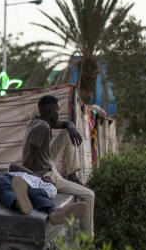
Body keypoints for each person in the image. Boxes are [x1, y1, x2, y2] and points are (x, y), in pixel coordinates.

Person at [21, 95, 95, 234]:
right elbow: (29, 158)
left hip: (48, 162)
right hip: (46, 174)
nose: (58, 113)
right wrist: (34, 179)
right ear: (49, 110)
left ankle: (72, 174)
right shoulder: (41, 127)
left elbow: (64, 124)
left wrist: (71, 127)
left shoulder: (40, 121)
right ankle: (88, 241)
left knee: (67, 133)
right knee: (89, 195)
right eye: (57, 110)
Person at [0, 171, 86, 226]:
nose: (48, 178)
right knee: (0, 181)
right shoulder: (32, 176)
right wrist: (38, 175)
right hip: (14, 181)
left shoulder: (50, 187)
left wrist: (49, 183)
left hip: (24, 189)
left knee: (36, 194)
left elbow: (47, 192)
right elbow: (14, 165)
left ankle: (54, 212)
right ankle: (52, 210)